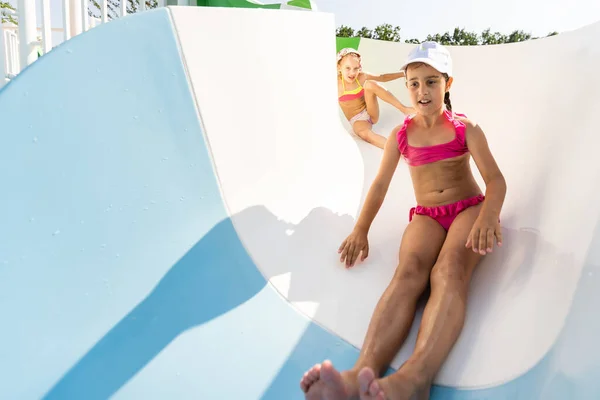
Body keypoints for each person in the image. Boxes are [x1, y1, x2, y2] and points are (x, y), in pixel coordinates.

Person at [301, 42, 507, 400]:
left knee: (447, 270)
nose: (422, 91)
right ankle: (357, 375)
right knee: (408, 273)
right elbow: (380, 185)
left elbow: (496, 180)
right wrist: (360, 230)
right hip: (428, 215)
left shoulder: (464, 128)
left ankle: (415, 378)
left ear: (448, 83)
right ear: (406, 85)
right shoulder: (401, 134)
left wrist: (489, 214)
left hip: (467, 207)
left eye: (431, 82)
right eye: (414, 83)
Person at [337, 48, 415, 149]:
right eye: (348, 68)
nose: (352, 73)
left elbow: (382, 77)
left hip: (371, 112)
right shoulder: (336, 85)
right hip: (358, 120)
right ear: (339, 67)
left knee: (370, 84)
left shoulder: (361, 77)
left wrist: (403, 74)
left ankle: (404, 109)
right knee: (364, 133)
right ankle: (399, 149)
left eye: (356, 68)